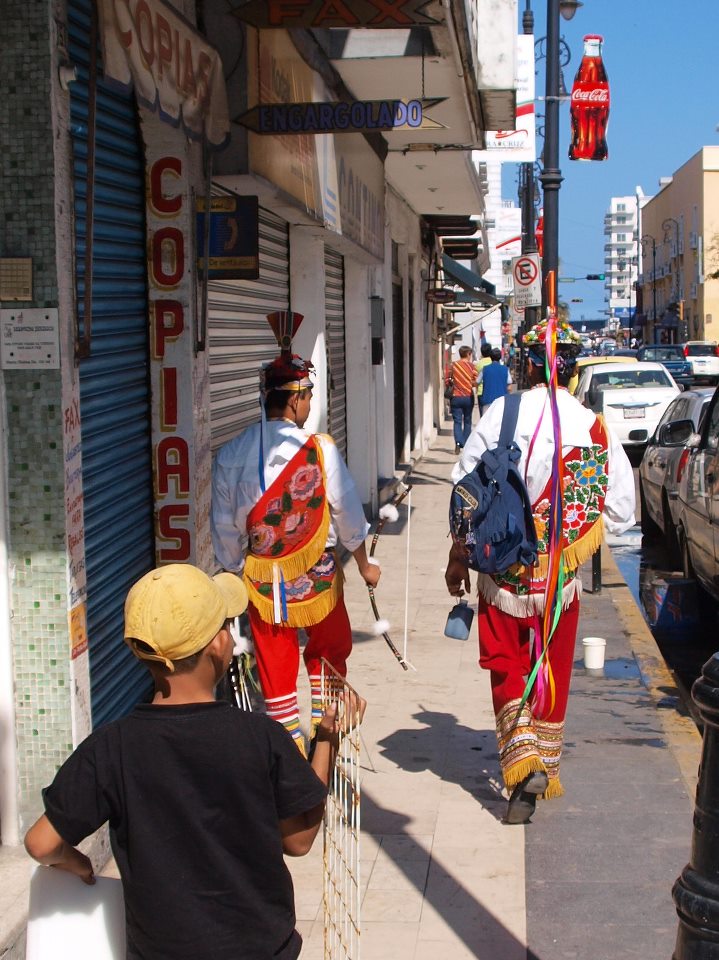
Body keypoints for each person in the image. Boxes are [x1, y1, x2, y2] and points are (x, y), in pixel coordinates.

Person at [24, 563, 365, 960]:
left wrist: (77, 862)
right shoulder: (259, 737)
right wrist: (327, 738)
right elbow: (299, 840)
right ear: (219, 645)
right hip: (261, 949)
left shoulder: (110, 747)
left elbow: (41, 843)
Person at [445, 319, 635, 824]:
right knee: (549, 667)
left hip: (502, 573)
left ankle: (521, 759)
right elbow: (621, 512)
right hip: (559, 581)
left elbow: (463, 485)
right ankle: (541, 766)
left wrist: (458, 554)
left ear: (525, 364)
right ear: (570, 369)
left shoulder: (503, 413)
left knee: (506, 662)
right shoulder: (593, 428)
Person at [211, 311, 379, 754]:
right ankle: (326, 734)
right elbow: (345, 510)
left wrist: (234, 576)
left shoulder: (231, 453)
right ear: (295, 399)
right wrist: (365, 565)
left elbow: (226, 531)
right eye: (307, 397)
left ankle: (286, 751)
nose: (308, 407)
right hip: (319, 576)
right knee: (330, 650)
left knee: (275, 669)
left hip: (262, 583)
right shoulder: (319, 448)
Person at [445, 344, 477, 454]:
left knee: (457, 421)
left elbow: (447, 380)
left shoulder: (453, 366)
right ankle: (466, 443)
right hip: (468, 396)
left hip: (456, 396)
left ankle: (458, 443)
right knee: (467, 421)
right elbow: (475, 382)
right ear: (468, 354)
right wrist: (468, 384)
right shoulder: (472, 367)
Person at [477, 347, 513, 415]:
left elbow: (477, 381)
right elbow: (509, 387)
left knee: (487, 422)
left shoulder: (485, 369)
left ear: (490, 357)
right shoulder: (505, 369)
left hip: (487, 400)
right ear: (500, 357)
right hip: (502, 400)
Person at [474, 342, 493, 410]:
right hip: (491, 391)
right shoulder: (493, 362)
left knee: (483, 415)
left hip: (481, 392)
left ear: (481, 352)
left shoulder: (478, 364)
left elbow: (475, 378)